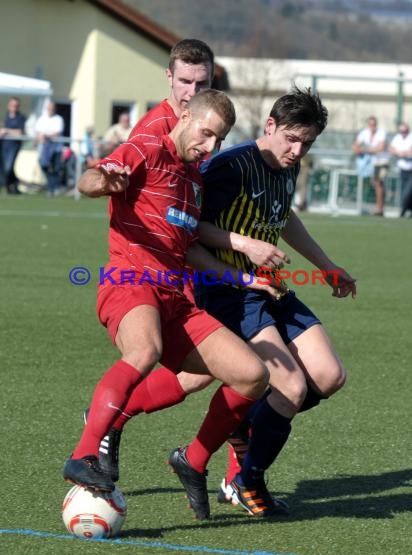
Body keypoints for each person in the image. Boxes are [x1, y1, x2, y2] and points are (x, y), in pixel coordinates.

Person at [63, 89, 274, 521]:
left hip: (174, 295)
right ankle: (83, 455)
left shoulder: (194, 179)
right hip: (130, 280)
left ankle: (192, 460)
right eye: (206, 133)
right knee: (144, 352)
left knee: (252, 376)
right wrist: (104, 181)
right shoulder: (145, 147)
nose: (210, 146)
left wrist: (244, 277)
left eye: (220, 139)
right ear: (185, 115)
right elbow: (88, 180)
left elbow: (189, 249)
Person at [191, 85, 357, 517]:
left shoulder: (288, 165)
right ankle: (248, 479)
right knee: (291, 385)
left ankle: (244, 430)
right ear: (270, 126)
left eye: (307, 143)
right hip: (228, 289)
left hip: (269, 286)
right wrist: (247, 245)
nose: (297, 150)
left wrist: (326, 265)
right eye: (291, 139)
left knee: (329, 375)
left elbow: (283, 218)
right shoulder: (231, 166)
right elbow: (192, 228)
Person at [352, 115, 389, 216]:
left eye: (374, 124)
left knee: (378, 183)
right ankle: (379, 206)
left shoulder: (382, 133)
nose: (372, 126)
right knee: (375, 183)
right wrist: (362, 149)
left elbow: (381, 148)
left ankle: (380, 208)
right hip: (371, 162)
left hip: (382, 161)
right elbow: (355, 146)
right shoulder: (364, 133)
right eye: (370, 124)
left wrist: (366, 149)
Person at [35, 101, 64, 196]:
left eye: (52, 108)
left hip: (56, 147)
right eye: (49, 108)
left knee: (55, 168)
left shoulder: (58, 119)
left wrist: (46, 135)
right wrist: (41, 137)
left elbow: (57, 132)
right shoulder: (42, 119)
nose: (50, 110)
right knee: (44, 165)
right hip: (44, 147)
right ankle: (51, 186)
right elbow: (38, 132)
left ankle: (53, 188)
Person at [0, 97, 26, 194]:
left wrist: (6, 131)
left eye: (16, 105)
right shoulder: (5, 116)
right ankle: (11, 186)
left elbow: (20, 133)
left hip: (13, 146)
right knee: (4, 169)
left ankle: (14, 183)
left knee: (8, 167)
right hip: (3, 145)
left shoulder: (20, 118)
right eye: (12, 105)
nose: (14, 107)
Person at [389, 121, 412, 217]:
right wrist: (401, 153)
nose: (403, 133)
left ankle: (403, 209)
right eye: (401, 131)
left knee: (408, 191)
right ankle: (407, 210)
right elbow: (391, 149)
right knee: (404, 190)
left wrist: (403, 153)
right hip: (403, 169)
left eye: (405, 131)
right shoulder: (397, 138)